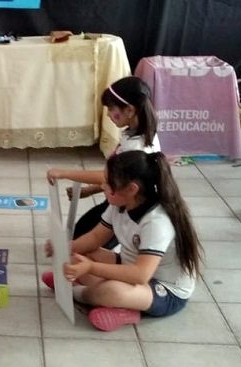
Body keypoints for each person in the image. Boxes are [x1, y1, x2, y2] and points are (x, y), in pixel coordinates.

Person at [44, 150, 203, 331]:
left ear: (132, 189)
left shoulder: (156, 222)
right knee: (78, 254)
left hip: (165, 290)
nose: (103, 186)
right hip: (130, 266)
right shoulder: (120, 204)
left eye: (108, 183)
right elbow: (95, 237)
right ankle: (98, 295)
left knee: (113, 291)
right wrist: (64, 247)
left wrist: (90, 268)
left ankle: (77, 292)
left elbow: (140, 275)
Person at [46, 76, 161, 249]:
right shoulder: (133, 133)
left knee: (88, 245)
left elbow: (107, 177)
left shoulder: (137, 147)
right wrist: (90, 190)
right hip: (118, 198)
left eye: (111, 108)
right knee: (80, 235)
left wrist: (63, 173)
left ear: (130, 110)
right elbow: (114, 178)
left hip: (128, 206)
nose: (108, 114)